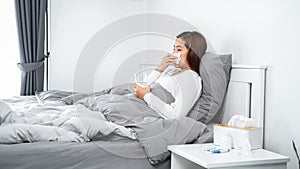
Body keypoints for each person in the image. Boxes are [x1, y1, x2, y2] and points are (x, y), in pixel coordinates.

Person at [134, 31, 207, 119]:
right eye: (174, 49)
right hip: (139, 104)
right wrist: (161, 67)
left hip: (143, 111)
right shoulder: (173, 71)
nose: (174, 54)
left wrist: (146, 96)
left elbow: (176, 115)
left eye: (179, 50)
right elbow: (146, 86)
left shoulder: (191, 79)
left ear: (192, 53)